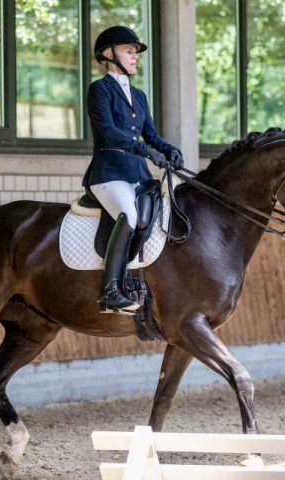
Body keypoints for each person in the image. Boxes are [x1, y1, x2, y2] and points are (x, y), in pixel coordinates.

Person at [81, 25, 184, 314]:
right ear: (108, 54)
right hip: (109, 174)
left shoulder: (139, 95)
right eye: (129, 50)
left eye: (135, 52)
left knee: (152, 217)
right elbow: (108, 131)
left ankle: (133, 281)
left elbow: (150, 134)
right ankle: (110, 290)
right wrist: (144, 150)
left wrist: (168, 149)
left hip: (138, 175)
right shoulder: (99, 90)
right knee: (128, 216)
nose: (135, 56)